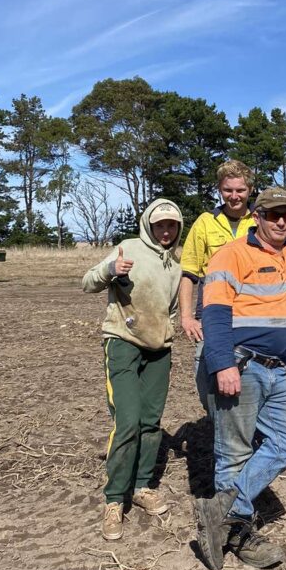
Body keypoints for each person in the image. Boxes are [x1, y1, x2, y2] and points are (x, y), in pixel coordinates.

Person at [195, 187, 286, 570]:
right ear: (257, 216)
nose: (281, 221)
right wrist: (222, 364)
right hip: (242, 367)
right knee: (234, 453)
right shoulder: (232, 254)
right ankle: (238, 534)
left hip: (277, 370)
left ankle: (223, 509)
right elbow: (212, 313)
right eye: (273, 214)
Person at [82, 199, 183, 541]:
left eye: (172, 226)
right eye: (160, 226)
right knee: (127, 420)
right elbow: (87, 282)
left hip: (159, 350)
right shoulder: (127, 249)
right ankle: (114, 500)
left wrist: (169, 331)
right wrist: (110, 271)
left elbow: (170, 308)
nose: (166, 231)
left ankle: (141, 487)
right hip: (122, 342)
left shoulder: (175, 264)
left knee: (150, 422)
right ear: (149, 226)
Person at [179, 161, 256, 378]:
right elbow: (188, 273)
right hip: (212, 313)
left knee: (251, 376)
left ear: (250, 190)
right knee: (211, 377)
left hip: (253, 313)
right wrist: (186, 317)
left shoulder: (262, 221)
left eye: (240, 190)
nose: (234, 196)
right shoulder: (205, 222)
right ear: (219, 190)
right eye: (227, 190)